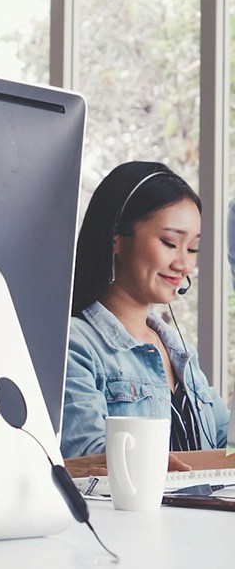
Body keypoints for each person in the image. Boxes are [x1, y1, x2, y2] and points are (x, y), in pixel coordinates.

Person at [61, 161, 232, 477]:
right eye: (170, 242)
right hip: (126, 525)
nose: (183, 264)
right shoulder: (73, 344)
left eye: (193, 248)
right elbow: (94, 465)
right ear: (117, 238)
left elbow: (226, 446)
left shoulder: (181, 353)